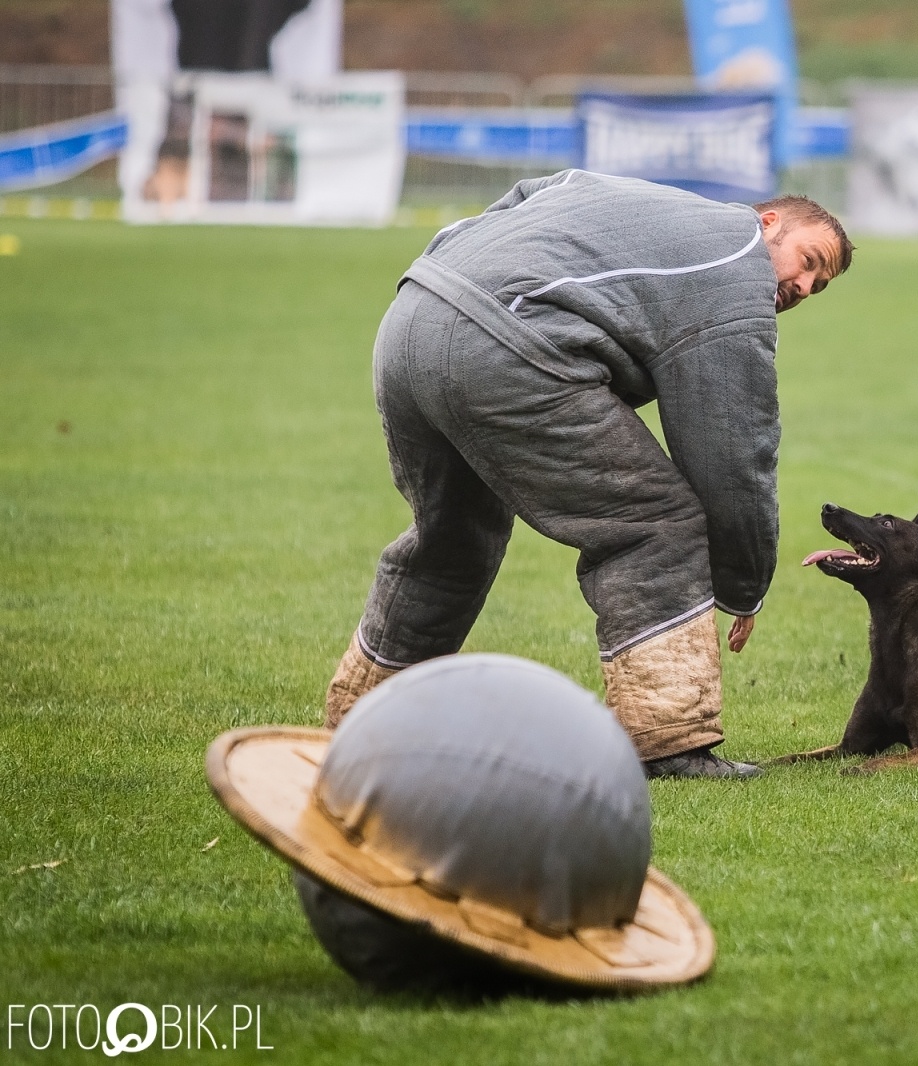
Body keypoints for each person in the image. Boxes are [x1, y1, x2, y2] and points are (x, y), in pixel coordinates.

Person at [323, 170, 853, 780]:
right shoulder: (736, 268)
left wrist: (443, 282)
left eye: (818, 287)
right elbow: (734, 449)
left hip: (411, 320)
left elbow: (530, 192)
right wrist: (744, 581)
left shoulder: (641, 201)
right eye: (808, 261)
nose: (804, 285)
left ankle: (362, 722)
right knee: (656, 524)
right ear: (769, 223)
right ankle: (669, 742)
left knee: (451, 543)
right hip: (504, 345)